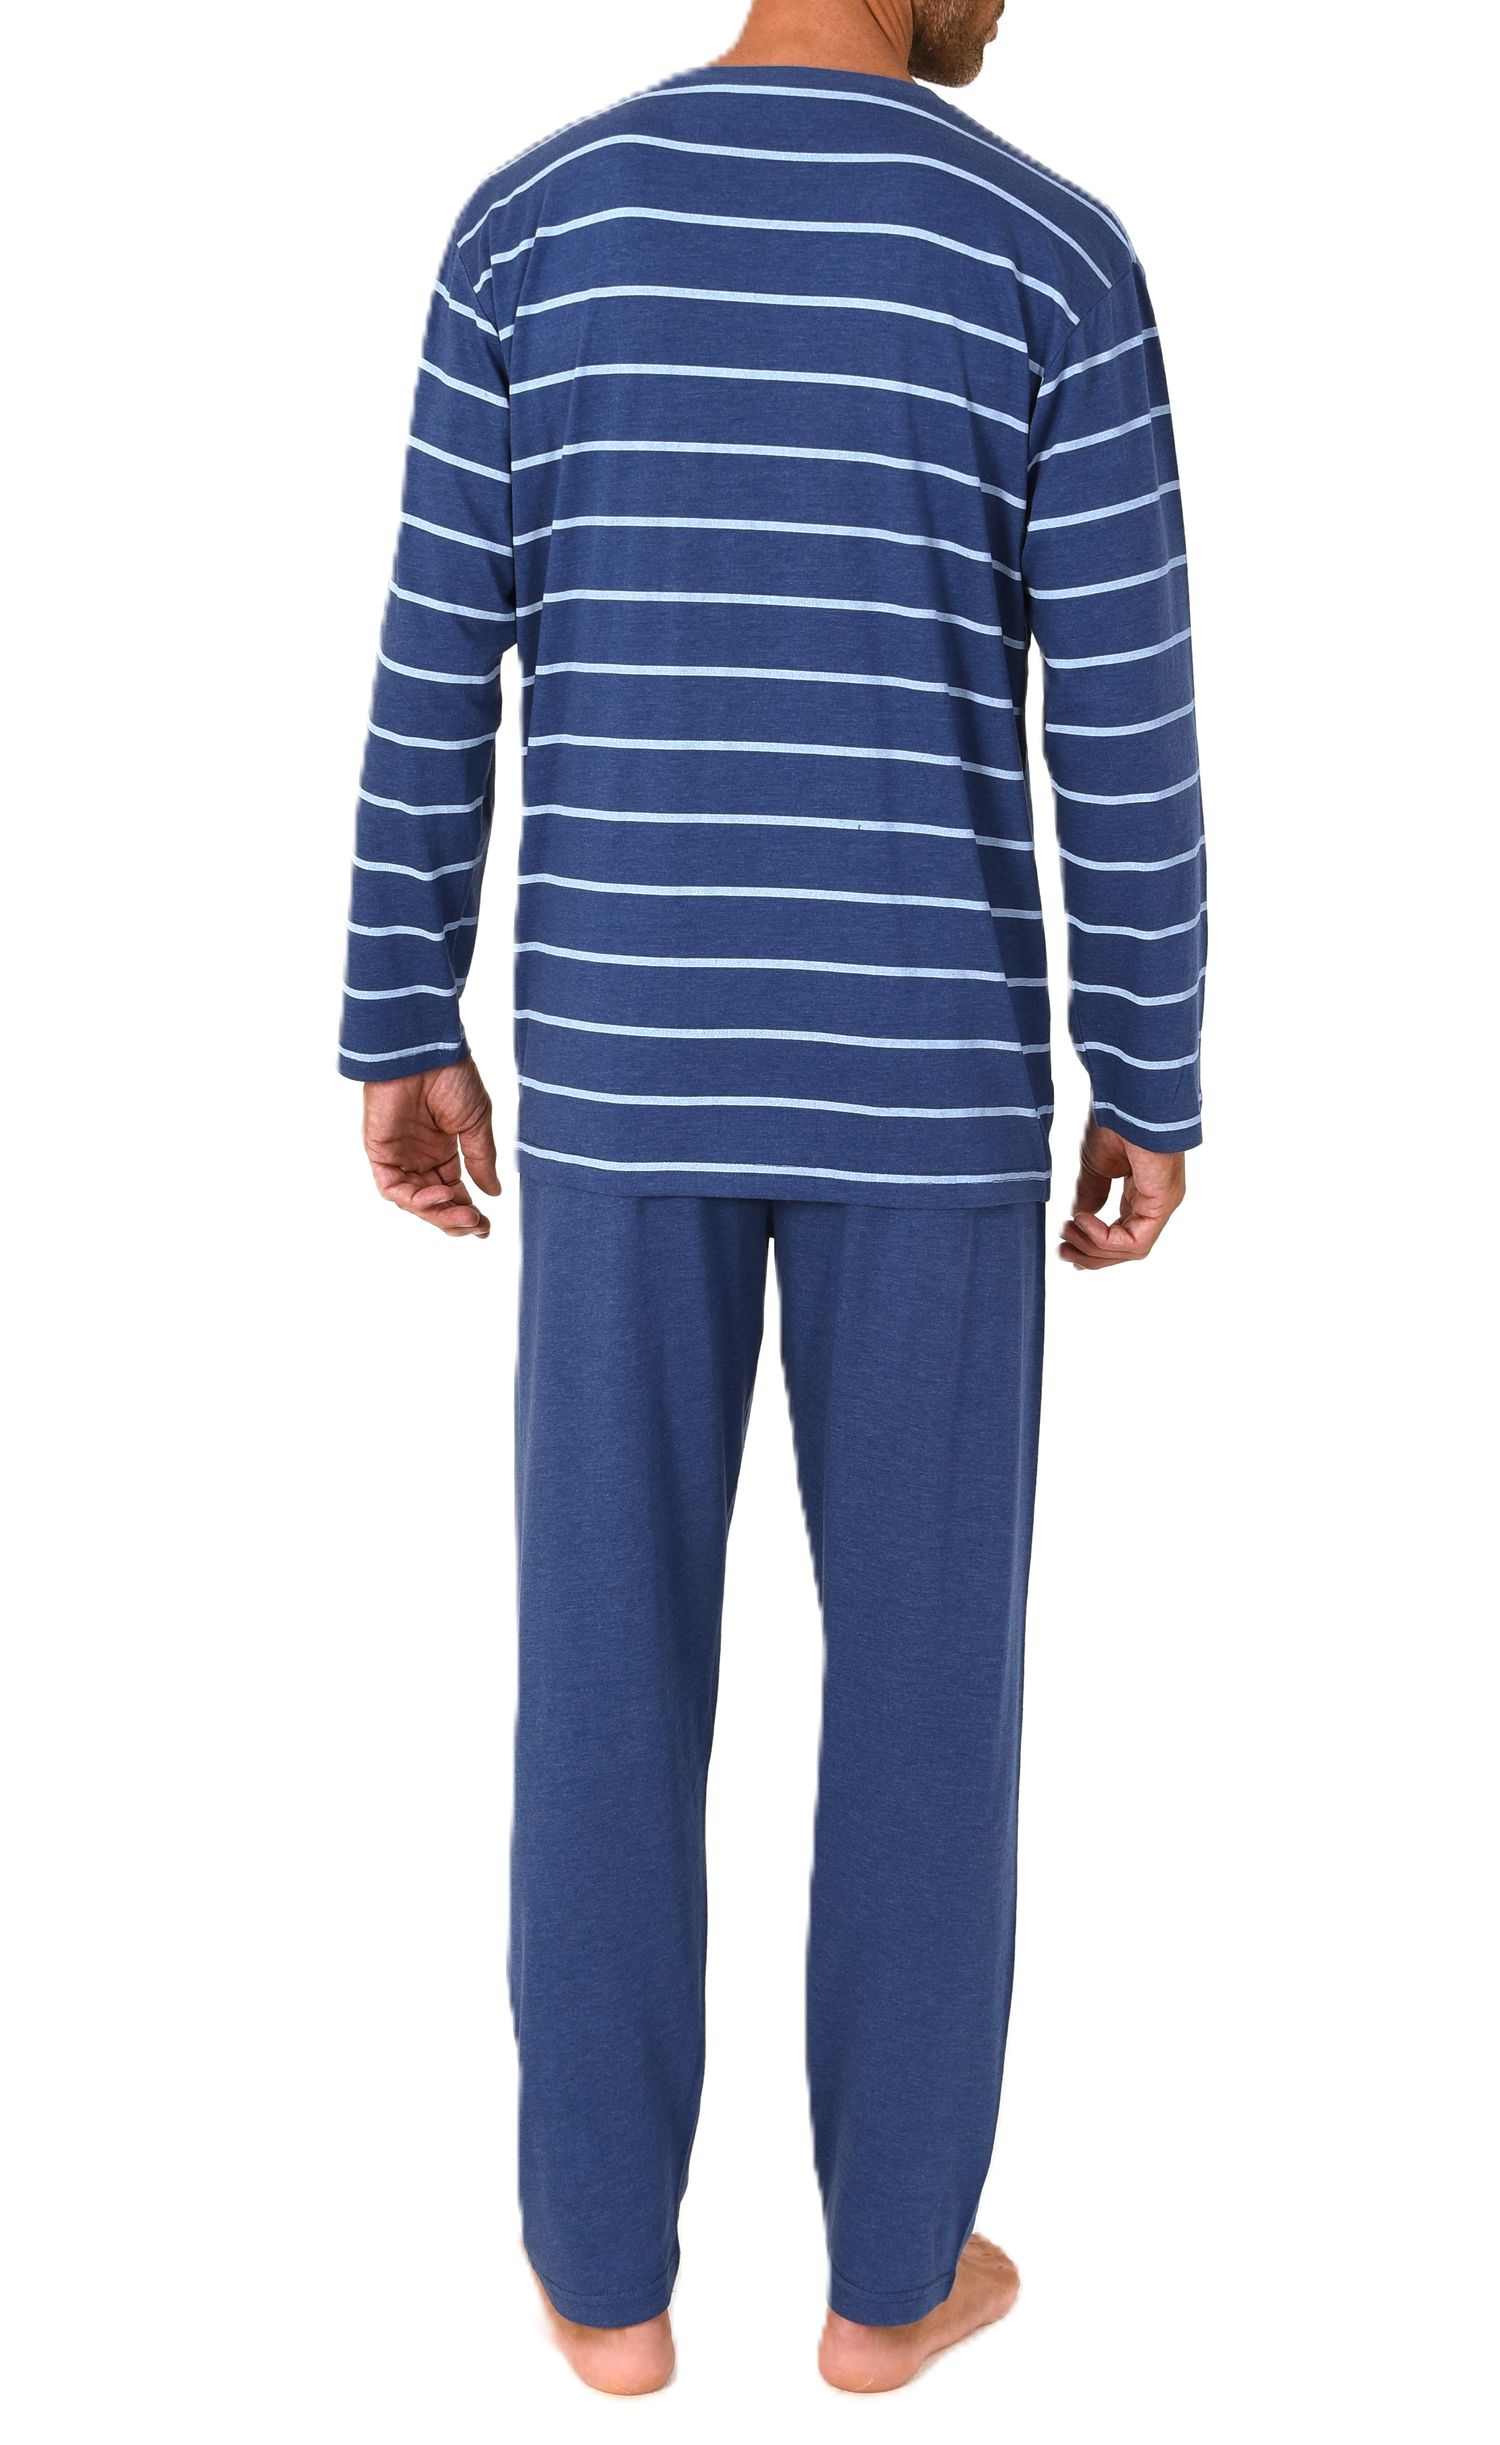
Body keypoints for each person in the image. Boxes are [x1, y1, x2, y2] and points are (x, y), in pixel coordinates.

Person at [341, 0, 1205, 2395]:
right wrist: (1153, 1063)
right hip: (930, 1081)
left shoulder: (536, 226)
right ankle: (889, 2282)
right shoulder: (1045, 253)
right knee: (932, 1691)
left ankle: (607, 2283)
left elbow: (438, 650)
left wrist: (398, 1003)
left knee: (600, 1669)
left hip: (624, 1068)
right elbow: (1124, 706)